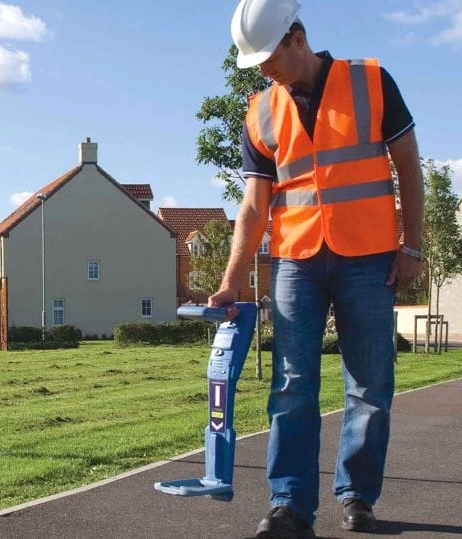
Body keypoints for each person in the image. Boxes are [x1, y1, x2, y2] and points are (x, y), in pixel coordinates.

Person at [209, 1, 425, 537]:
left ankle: (357, 497)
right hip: (295, 263)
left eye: (267, 57)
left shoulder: (372, 81)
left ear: (296, 38)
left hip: (369, 256)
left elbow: (409, 168)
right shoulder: (260, 111)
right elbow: (254, 207)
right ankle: (289, 506)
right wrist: (231, 279)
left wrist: (413, 246)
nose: (262, 69)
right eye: (253, 61)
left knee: (370, 385)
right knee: (291, 386)